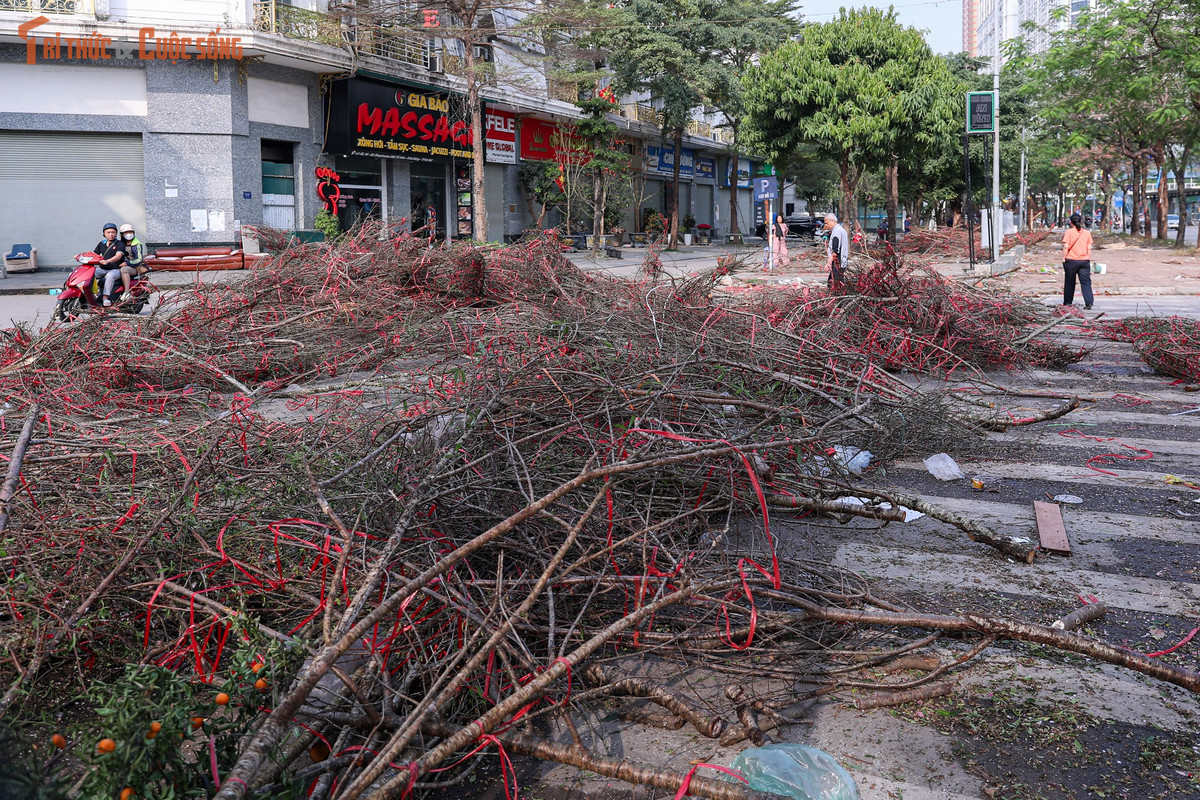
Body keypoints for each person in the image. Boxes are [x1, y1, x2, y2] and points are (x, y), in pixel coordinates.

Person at [1062, 212, 1094, 310]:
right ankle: (1089, 302)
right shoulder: (1087, 233)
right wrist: (1087, 257)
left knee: (1070, 282)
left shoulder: (1069, 232)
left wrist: (1064, 257)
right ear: (1081, 221)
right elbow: (1089, 247)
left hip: (1071, 260)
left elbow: (1066, 246)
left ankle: (1068, 302)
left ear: (1071, 222)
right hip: (1084, 261)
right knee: (1086, 282)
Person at [92, 222, 126, 307]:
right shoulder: (102, 243)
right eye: (108, 232)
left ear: (116, 233)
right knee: (90, 273)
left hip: (115, 270)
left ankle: (105, 298)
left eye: (113, 232)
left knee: (110, 276)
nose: (111, 234)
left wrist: (107, 261)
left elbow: (118, 256)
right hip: (102, 269)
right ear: (104, 233)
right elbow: (94, 254)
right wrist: (81, 256)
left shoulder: (120, 244)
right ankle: (92, 294)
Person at [110, 223, 146, 303]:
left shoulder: (136, 244)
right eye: (126, 232)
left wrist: (127, 263)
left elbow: (139, 259)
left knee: (124, 270)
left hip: (135, 267)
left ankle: (127, 292)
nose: (128, 234)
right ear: (122, 234)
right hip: (122, 265)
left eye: (130, 232)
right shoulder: (120, 243)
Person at [824, 213, 849, 289]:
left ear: (832, 221)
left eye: (826, 223)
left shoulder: (837, 231)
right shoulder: (840, 230)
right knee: (836, 283)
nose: (826, 225)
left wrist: (828, 263)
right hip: (840, 262)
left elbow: (835, 251)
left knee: (834, 285)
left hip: (838, 262)